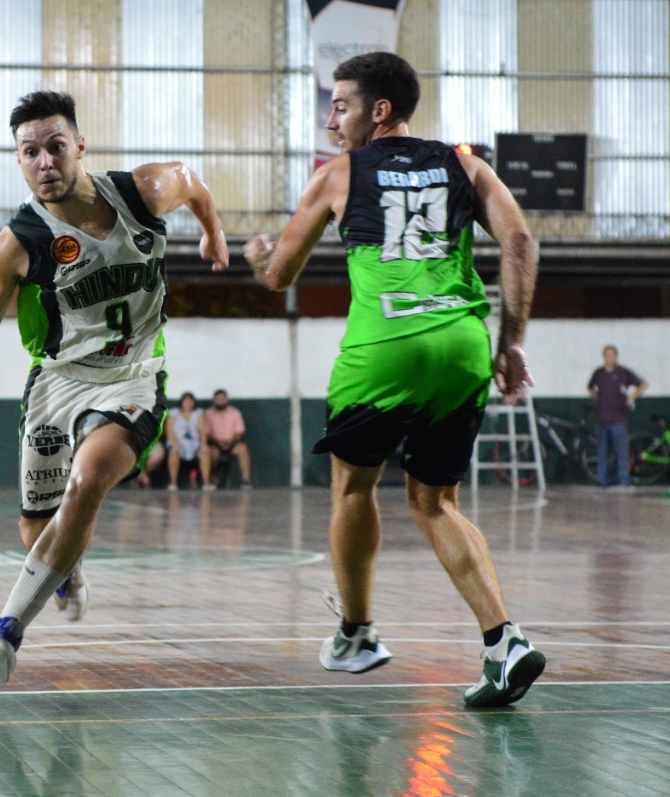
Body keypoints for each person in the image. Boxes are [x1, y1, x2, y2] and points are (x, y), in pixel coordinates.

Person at [0, 91, 229, 684]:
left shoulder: (141, 193)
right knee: (37, 527)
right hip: (57, 382)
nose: (45, 163)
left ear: (80, 146)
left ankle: (4, 633)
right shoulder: (16, 245)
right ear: (19, 160)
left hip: (132, 377)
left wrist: (212, 231)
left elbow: (191, 181)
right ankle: (67, 572)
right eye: (29, 152)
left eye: (55, 147)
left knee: (86, 483)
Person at [243, 51, 544, 707]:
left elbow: (278, 277)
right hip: (463, 345)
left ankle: (356, 631)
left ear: (379, 111)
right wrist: (511, 342)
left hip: (383, 347)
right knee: (436, 501)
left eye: (341, 105)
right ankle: (504, 640)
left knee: (354, 487)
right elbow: (520, 242)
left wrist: (260, 254)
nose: (331, 120)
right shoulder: (466, 163)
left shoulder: (339, 174)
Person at [586, 345, 648, 488]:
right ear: (604, 357)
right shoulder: (599, 373)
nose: (610, 358)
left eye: (612, 355)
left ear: (616, 357)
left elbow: (643, 384)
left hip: (619, 419)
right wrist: (597, 398)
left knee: (621, 451)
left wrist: (631, 398)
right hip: (601, 418)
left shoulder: (623, 372)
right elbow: (590, 387)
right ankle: (602, 480)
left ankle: (623, 480)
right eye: (607, 355)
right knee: (602, 451)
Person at [202, 389, 252, 489]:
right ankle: (213, 478)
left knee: (243, 449)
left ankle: (245, 480)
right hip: (215, 443)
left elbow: (239, 432)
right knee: (211, 453)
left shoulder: (235, 413)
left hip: (232, 442)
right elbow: (206, 433)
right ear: (214, 400)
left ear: (227, 400)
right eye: (217, 399)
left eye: (222, 399)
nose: (220, 401)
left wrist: (230, 441)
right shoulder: (208, 414)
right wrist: (218, 442)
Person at [166, 392, 209, 490]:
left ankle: (206, 483)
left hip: (194, 444)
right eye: (186, 401)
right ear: (181, 402)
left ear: (194, 403)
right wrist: (174, 445)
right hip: (177, 443)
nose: (188, 403)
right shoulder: (173, 413)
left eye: (191, 401)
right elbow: (169, 431)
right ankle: (173, 483)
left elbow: (203, 431)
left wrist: (204, 445)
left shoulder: (199, 413)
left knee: (205, 453)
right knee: (173, 453)